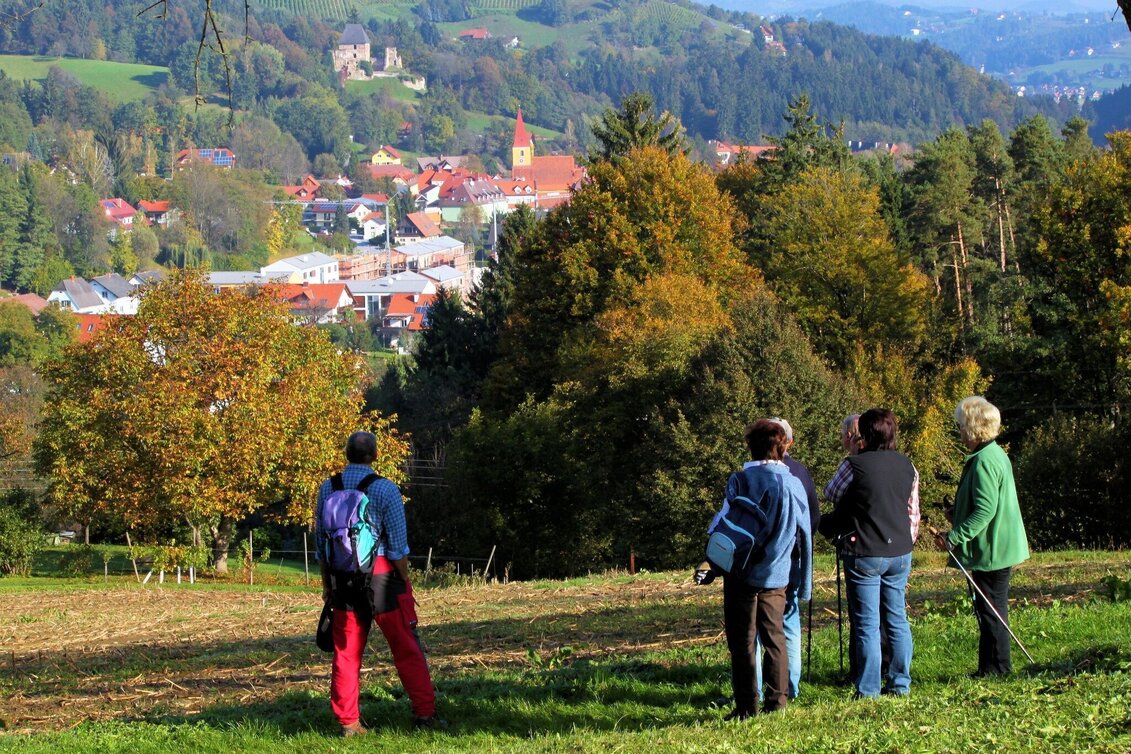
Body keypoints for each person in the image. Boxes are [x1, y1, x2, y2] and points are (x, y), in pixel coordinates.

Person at [316, 431, 440, 736]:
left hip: (343, 578)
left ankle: (349, 722)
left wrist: (328, 586)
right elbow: (398, 548)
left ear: (346, 454)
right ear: (374, 455)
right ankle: (424, 714)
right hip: (384, 577)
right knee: (405, 648)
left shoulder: (327, 488)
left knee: (346, 652)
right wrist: (405, 580)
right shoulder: (385, 489)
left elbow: (321, 545)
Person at [704, 420, 812, 720]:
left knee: (743, 642)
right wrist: (805, 583)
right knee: (775, 637)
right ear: (782, 446)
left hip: (741, 573)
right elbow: (805, 535)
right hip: (777, 573)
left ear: (751, 446)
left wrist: (711, 559)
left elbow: (724, 522)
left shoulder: (742, 480)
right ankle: (778, 704)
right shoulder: (793, 483)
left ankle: (747, 705)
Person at [819, 408, 919, 698]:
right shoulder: (908, 466)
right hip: (900, 550)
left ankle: (868, 688)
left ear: (864, 435)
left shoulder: (854, 465)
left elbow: (831, 493)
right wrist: (908, 541)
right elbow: (913, 510)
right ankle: (900, 683)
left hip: (865, 550)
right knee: (897, 618)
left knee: (867, 624)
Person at [935, 396, 1030, 677]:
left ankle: (998, 668)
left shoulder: (984, 462)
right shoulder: (993, 454)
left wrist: (954, 536)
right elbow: (985, 503)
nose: (960, 431)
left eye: (962, 425)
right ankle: (989, 667)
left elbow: (986, 510)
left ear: (975, 427)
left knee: (992, 610)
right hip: (997, 545)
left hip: (994, 549)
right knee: (989, 608)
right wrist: (957, 512)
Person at [748, 417, 818, 702]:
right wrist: (806, 579)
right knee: (786, 624)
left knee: (752, 631)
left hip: (753, 565)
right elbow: (811, 520)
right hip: (791, 558)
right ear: (787, 442)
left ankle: (754, 690)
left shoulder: (744, 478)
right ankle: (789, 687)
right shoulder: (799, 474)